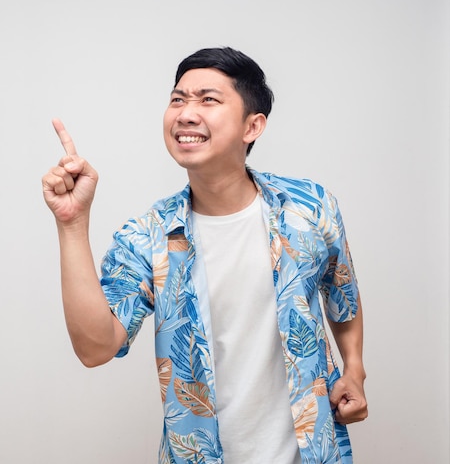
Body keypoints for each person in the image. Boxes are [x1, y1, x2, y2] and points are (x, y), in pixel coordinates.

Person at [42, 46, 368, 464]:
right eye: (178, 99)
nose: (186, 113)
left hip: (312, 451)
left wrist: (354, 369)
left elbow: (343, 294)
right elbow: (96, 348)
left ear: (253, 125)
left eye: (208, 99)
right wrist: (72, 225)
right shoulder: (147, 237)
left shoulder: (310, 206)